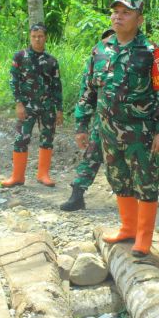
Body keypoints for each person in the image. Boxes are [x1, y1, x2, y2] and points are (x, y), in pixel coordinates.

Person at [74, 0, 159, 256]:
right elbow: (88, 89)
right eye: (115, 12)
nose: (118, 16)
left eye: (126, 13)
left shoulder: (153, 53)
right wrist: (81, 124)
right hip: (107, 130)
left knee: (145, 182)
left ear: (139, 19)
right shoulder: (101, 50)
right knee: (118, 178)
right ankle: (128, 227)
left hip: (141, 133)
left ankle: (143, 238)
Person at [1, 23, 64, 188]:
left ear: (45, 37)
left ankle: (43, 174)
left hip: (47, 106)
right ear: (30, 37)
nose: (37, 39)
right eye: (34, 36)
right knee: (21, 138)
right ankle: (17, 176)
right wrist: (18, 103)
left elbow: (57, 86)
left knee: (47, 138)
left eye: (41, 36)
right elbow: (14, 80)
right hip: (27, 105)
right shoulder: (20, 56)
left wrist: (59, 109)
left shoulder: (51, 61)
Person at [60, 28, 115, 212]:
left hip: (136, 123)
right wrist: (81, 125)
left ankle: (139, 202)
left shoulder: (142, 51)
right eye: (108, 40)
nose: (110, 43)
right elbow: (87, 91)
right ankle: (77, 194)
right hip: (103, 120)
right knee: (92, 154)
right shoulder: (97, 54)